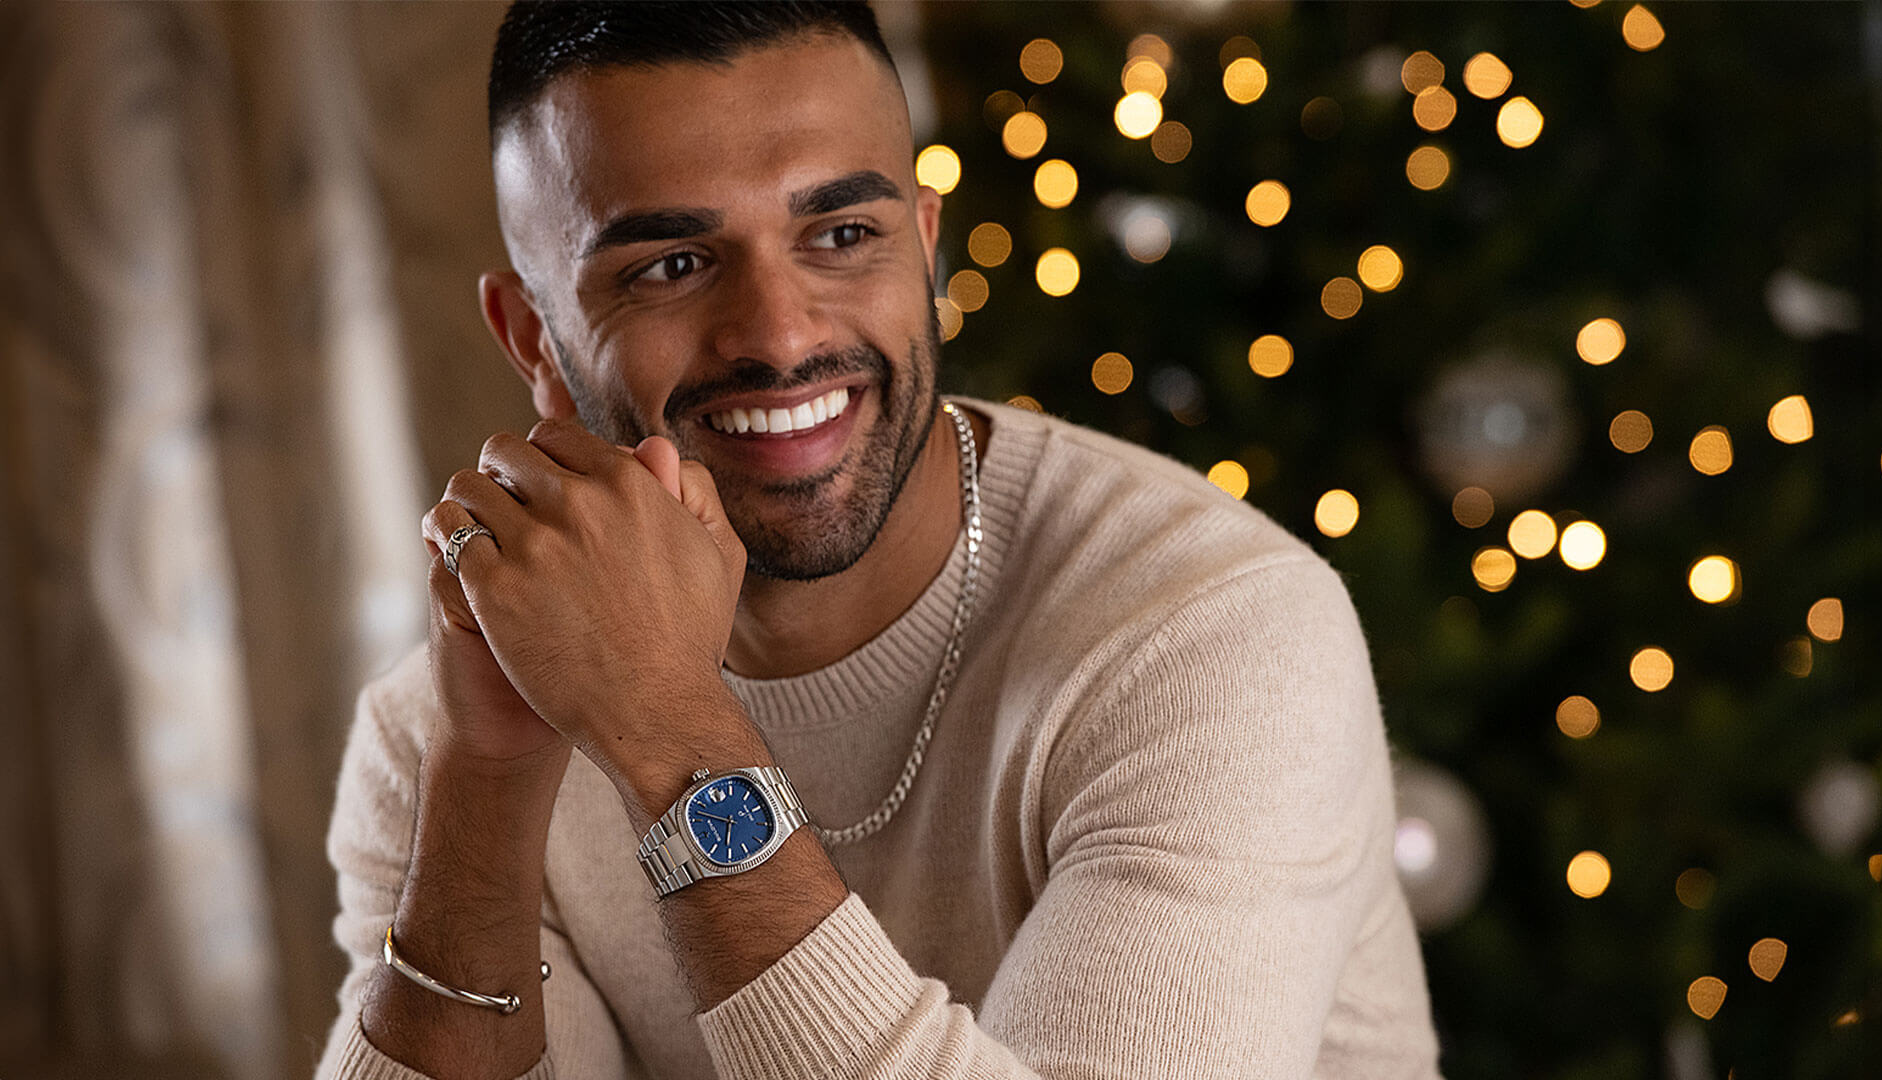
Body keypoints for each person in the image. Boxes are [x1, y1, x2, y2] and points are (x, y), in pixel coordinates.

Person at [316, 3, 1442, 1078]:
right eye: (670, 264)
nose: (780, 334)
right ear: (535, 336)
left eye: (844, 233)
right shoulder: (447, 727)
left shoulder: (1210, 633)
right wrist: (488, 772)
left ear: (927, 250)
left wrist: (669, 736)